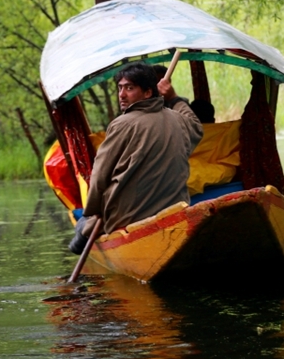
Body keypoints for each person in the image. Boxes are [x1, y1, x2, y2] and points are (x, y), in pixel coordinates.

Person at [69, 62, 203, 254]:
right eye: (120, 88)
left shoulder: (122, 124)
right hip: (175, 211)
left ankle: (85, 232)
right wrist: (174, 98)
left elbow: (99, 175)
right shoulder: (179, 119)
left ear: (148, 93)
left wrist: (93, 213)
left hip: (129, 217)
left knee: (84, 222)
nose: (122, 95)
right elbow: (195, 125)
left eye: (130, 88)